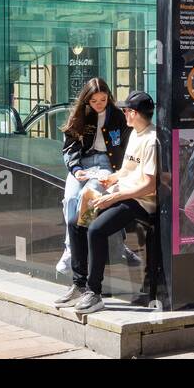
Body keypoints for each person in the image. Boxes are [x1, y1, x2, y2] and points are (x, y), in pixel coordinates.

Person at [56, 90, 158, 315]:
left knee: (96, 230)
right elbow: (127, 170)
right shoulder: (134, 133)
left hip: (138, 202)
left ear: (135, 113)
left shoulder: (151, 140)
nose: (124, 114)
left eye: (127, 110)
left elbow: (150, 186)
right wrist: (111, 179)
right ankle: (79, 284)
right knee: (76, 221)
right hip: (120, 192)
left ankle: (95, 292)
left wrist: (114, 196)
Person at [56, 78, 129, 274]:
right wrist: (76, 168)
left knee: (88, 197)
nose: (99, 104)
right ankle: (70, 248)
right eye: (94, 101)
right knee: (70, 198)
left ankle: (81, 250)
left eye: (103, 100)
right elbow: (70, 147)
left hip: (106, 163)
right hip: (83, 163)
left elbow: (126, 145)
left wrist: (121, 173)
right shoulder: (80, 115)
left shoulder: (118, 116)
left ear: (108, 98)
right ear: (87, 100)